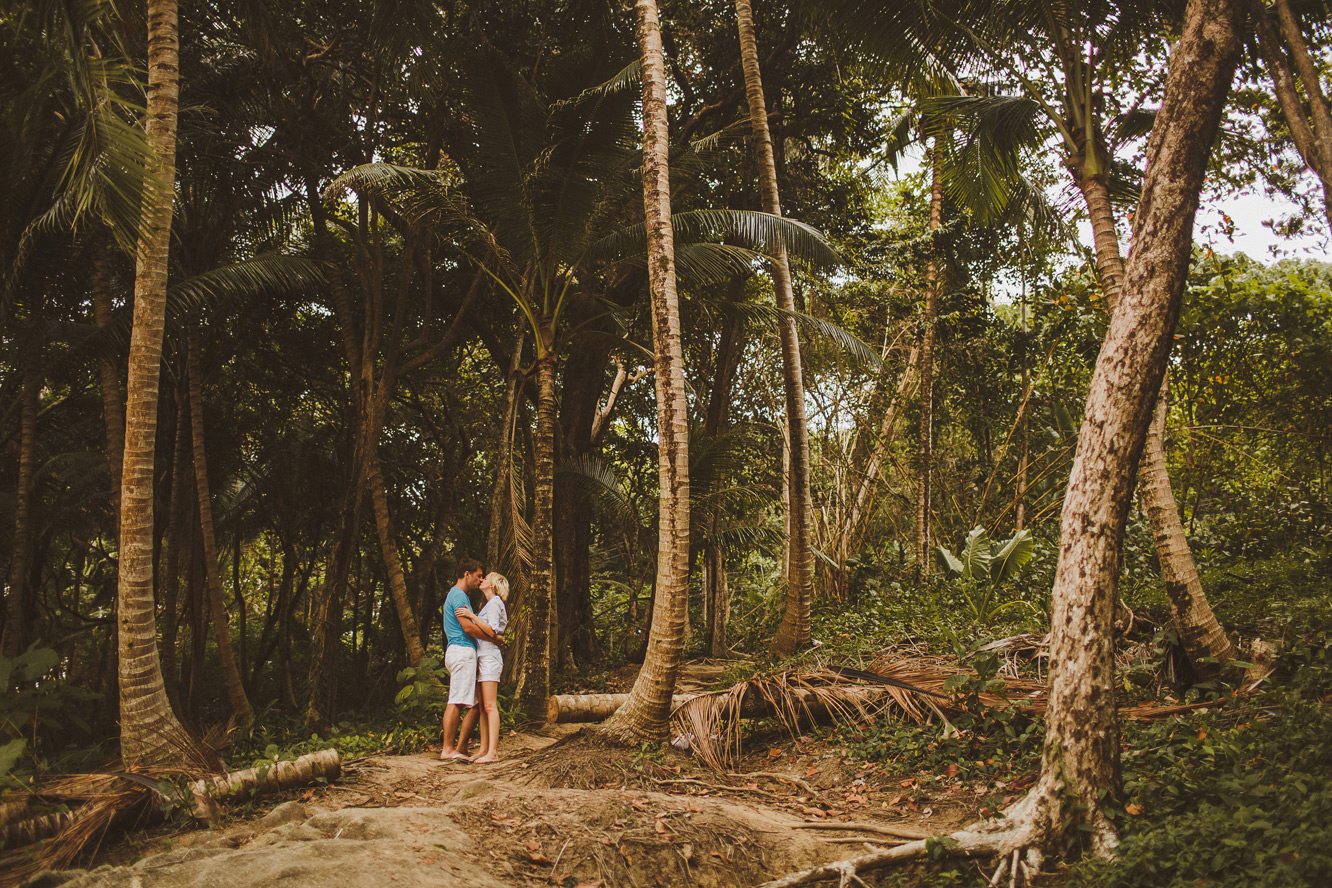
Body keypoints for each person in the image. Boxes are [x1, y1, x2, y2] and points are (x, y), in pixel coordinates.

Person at [439, 558, 502, 761]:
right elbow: (468, 628)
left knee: (476, 705)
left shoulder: (460, 595)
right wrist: (495, 638)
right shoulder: (458, 594)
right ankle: (447, 749)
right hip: (462, 651)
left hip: (464, 652)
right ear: (467, 574)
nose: (480, 579)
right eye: (477, 575)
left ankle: (461, 747)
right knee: (457, 701)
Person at [456, 572, 509, 763]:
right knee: (482, 707)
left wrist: (470, 616)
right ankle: (483, 749)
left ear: (493, 584)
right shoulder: (489, 605)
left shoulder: (495, 602)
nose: (482, 580)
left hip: (490, 658)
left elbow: (491, 630)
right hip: (482, 657)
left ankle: (492, 752)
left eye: (486, 579)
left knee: (489, 706)